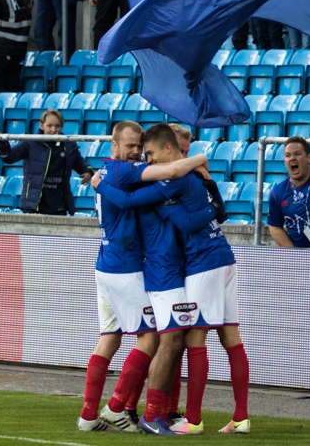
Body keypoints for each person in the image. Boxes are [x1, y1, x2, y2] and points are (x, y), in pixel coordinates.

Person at [90, 123, 249, 435]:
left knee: (177, 339)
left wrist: (213, 204)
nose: (146, 160)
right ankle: (151, 413)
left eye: (149, 153)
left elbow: (193, 215)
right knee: (177, 339)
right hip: (170, 270)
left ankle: (157, 413)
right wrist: (214, 206)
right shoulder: (169, 179)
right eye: (143, 153)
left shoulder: (175, 180)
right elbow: (193, 216)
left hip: (189, 266)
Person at [0, 109, 92, 215]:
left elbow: (79, 162)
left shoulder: (69, 145)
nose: (54, 130)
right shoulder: (29, 142)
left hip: (59, 205)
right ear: (41, 125)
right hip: (33, 205)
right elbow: (9, 157)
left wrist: (87, 171)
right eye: (49, 126)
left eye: (57, 126)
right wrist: (1, 143)